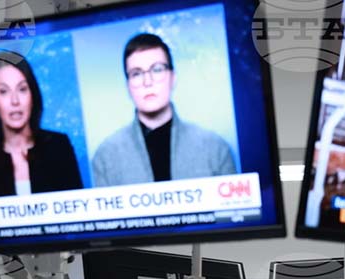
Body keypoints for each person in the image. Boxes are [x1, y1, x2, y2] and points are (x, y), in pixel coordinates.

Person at [91, 33, 236, 187]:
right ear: (128, 86)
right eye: (136, 74)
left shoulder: (215, 148)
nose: (148, 82)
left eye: (157, 69)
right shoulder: (105, 156)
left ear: (173, 78)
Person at [0, 52, 83, 198]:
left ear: (33, 96)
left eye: (22, 89)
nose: (15, 101)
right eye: (4, 91)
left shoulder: (59, 146)